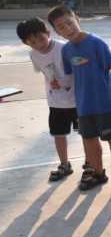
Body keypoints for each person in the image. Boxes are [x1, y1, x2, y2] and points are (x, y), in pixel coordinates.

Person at [47, 5, 111, 192]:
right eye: (61, 27)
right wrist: (58, 83)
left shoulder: (96, 43)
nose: (67, 29)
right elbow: (70, 77)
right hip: (83, 106)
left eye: (69, 23)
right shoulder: (66, 50)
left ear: (77, 19)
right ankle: (98, 173)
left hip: (105, 103)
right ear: (57, 32)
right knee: (90, 141)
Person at [16, 17, 82, 182]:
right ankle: (64, 164)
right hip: (56, 103)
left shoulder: (64, 48)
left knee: (85, 134)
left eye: (41, 38)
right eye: (32, 42)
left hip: (76, 100)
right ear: (26, 43)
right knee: (59, 134)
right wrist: (53, 82)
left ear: (48, 33)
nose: (39, 44)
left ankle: (89, 164)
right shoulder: (34, 55)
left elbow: (78, 70)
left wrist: (65, 83)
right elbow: (45, 73)